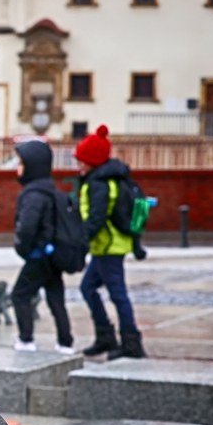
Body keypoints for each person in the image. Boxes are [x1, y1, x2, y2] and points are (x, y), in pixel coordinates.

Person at [75, 125, 147, 359]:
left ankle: (131, 343)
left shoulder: (99, 183)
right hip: (108, 245)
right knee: (88, 288)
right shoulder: (109, 178)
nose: (78, 165)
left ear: (92, 161)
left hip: (108, 246)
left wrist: (81, 244)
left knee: (118, 293)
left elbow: (96, 218)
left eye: (81, 161)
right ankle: (106, 337)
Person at [10, 140, 75, 354]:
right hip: (53, 256)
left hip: (38, 256)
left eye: (20, 163)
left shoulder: (33, 194)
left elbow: (28, 227)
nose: (17, 168)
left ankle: (26, 340)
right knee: (56, 297)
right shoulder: (51, 190)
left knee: (20, 294)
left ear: (32, 165)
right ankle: (65, 342)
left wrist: (23, 248)